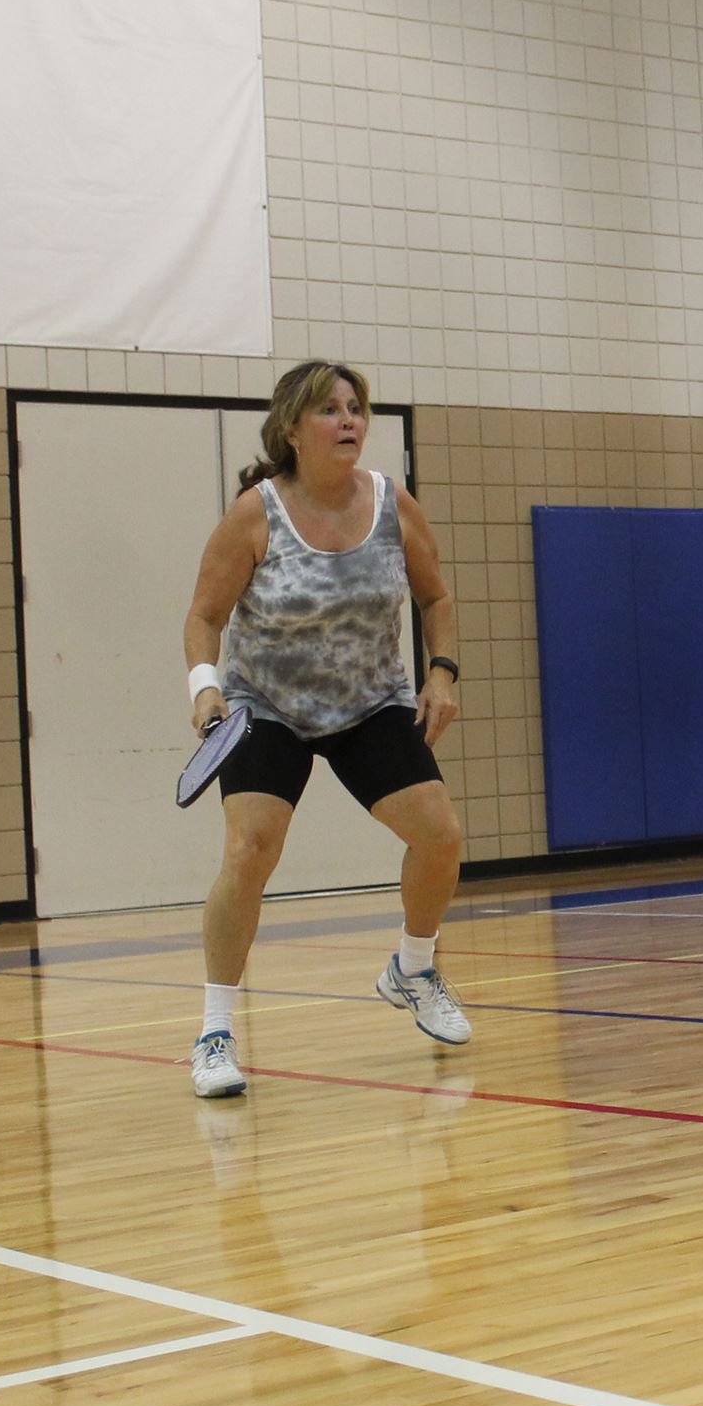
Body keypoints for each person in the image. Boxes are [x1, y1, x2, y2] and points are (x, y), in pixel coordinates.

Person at [181, 360, 469, 1097]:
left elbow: (437, 596)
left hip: (368, 703)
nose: (348, 421)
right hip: (268, 706)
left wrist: (441, 673)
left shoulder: (392, 502)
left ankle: (413, 967)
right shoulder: (257, 512)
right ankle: (215, 1032)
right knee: (250, 849)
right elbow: (205, 615)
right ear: (291, 429)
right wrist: (205, 688)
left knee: (440, 835)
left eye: (355, 408)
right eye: (330, 410)